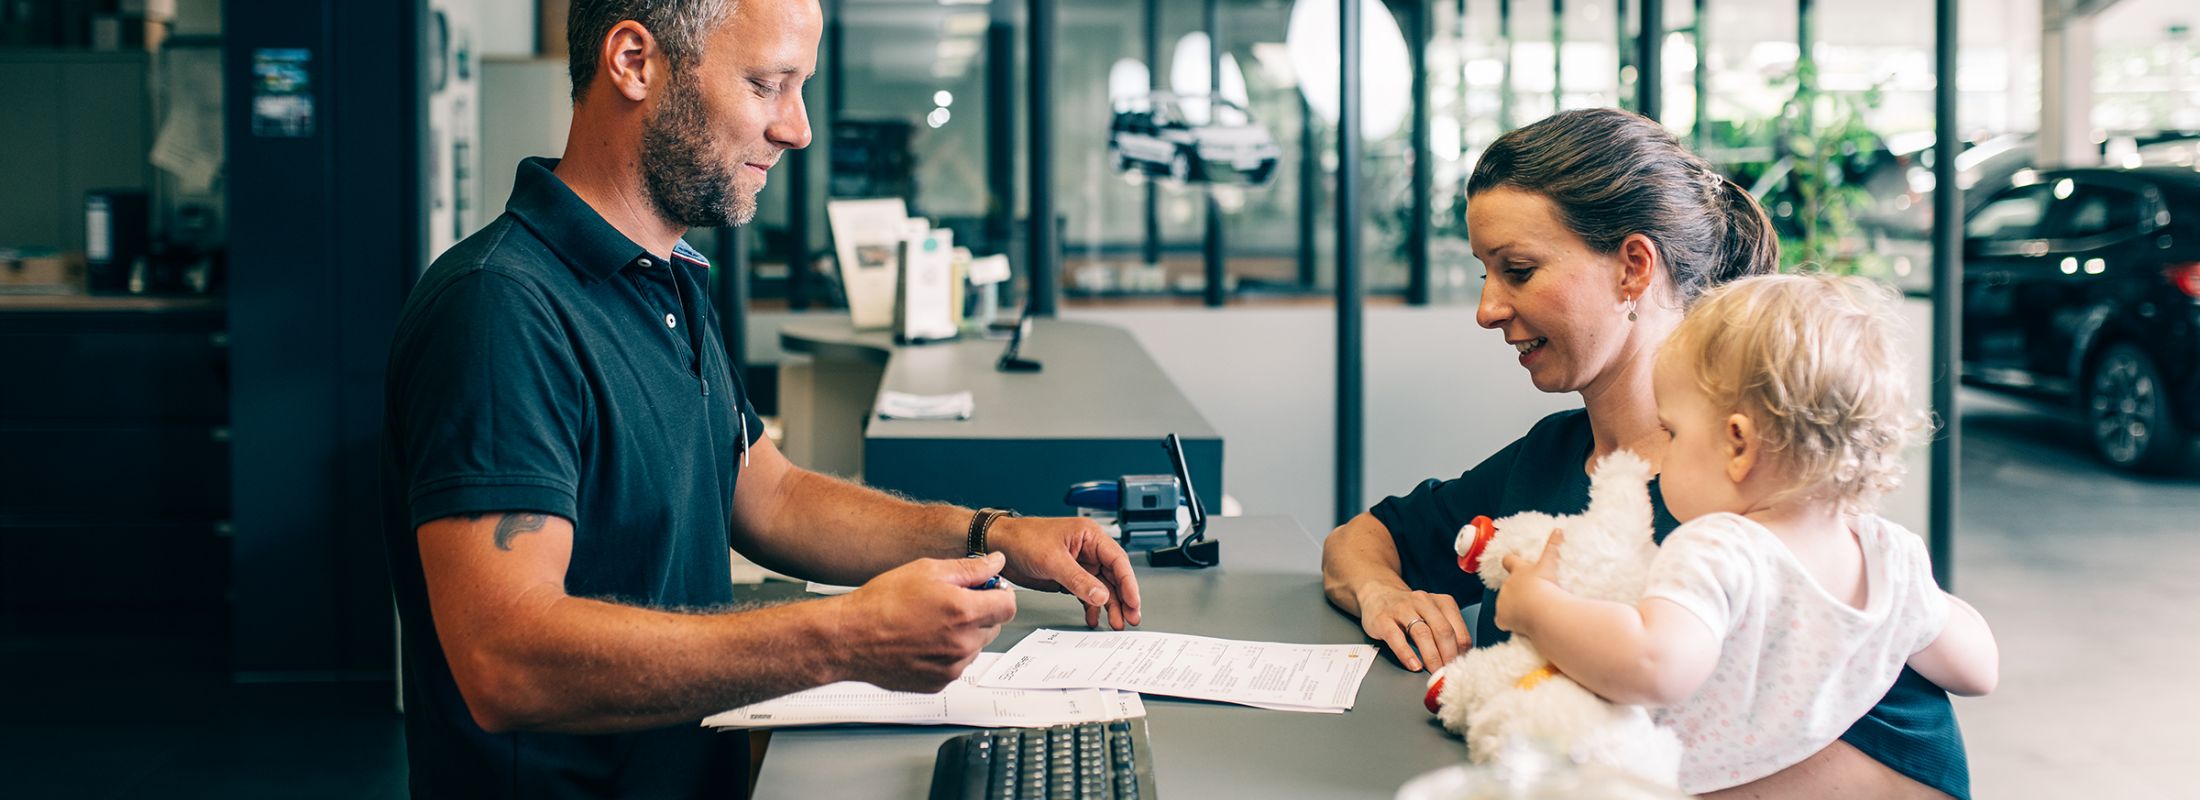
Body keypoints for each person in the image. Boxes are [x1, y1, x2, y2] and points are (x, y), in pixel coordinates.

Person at [380, 1, 1142, 795]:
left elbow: (767, 495)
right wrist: (843, 637)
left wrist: (989, 536)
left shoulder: (667, 277)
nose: (797, 129)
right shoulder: (498, 308)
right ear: (635, 62)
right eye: (768, 84)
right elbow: (505, 661)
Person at [1321, 107, 1974, 798]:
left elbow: (1907, 755)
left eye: (1517, 269)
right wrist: (1382, 593)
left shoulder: (1753, 498)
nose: (1487, 308)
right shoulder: (1553, 455)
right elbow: (1365, 539)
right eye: (1487, 272)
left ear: (1633, 266)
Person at [1492, 274, 2000, 794]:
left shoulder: (1718, 548)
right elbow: (1977, 671)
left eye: (1673, 431)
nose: (1664, 453)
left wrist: (1536, 606)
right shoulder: (1891, 554)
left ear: (1738, 444)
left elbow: (1651, 664)